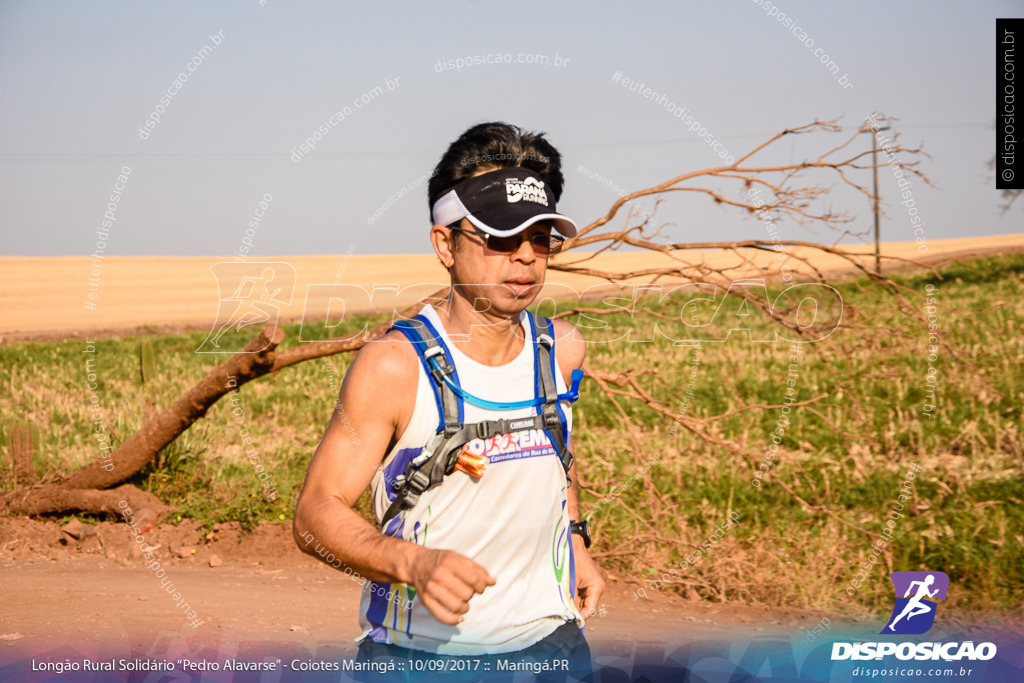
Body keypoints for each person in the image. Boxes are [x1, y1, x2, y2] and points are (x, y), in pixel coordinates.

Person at [293, 122, 604, 678]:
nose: (527, 258)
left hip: (556, 649)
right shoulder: (394, 366)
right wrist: (414, 564)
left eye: (540, 238)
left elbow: (557, 456)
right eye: (501, 237)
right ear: (445, 244)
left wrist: (576, 538)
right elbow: (315, 514)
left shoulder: (561, 350)